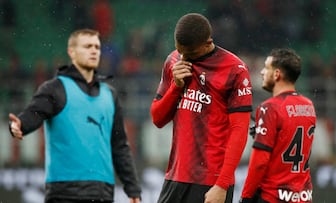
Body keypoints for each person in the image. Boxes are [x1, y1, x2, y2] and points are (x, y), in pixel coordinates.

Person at [8, 28, 141, 203]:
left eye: (97, 47)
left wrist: (132, 188)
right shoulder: (55, 88)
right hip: (65, 192)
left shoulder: (110, 95)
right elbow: (34, 113)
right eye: (87, 46)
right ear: (71, 52)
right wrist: (20, 126)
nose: (94, 50)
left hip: (103, 191)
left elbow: (120, 146)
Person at [150, 13, 253, 203]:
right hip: (175, 176)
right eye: (180, 51)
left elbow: (239, 131)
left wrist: (222, 185)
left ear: (208, 43)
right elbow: (157, 118)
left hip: (210, 182)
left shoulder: (235, 70)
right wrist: (176, 87)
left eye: (190, 53)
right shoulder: (173, 61)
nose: (184, 58)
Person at [239, 48, 316, 203]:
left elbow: (259, 162)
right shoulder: (309, 106)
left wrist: (246, 196)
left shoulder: (270, 108)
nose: (262, 72)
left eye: (266, 68)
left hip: (273, 196)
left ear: (277, 74)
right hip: (302, 196)